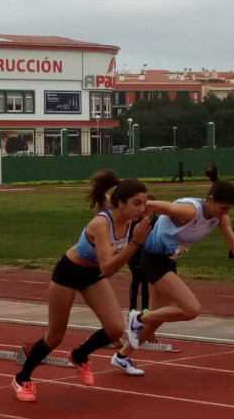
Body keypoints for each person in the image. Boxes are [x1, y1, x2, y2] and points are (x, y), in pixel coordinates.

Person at [11, 171, 152, 401]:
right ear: (120, 203)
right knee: (55, 336)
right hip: (69, 273)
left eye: (144, 204)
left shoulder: (130, 220)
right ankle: (22, 378)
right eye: (137, 203)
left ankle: (79, 355)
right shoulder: (101, 224)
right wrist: (135, 243)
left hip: (92, 275)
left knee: (116, 328)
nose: (142, 208)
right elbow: (108, 268)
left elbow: (160, 207)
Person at [118, 167, 234, 374]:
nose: (226, 214)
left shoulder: (220, 218)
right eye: (223, 208)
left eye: (229, 209)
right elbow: (158, 206)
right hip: (153, 260)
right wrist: (129, 206)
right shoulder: (190, 211)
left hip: (168, 261)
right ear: (211, 199)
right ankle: (138, 318)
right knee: (191, 309)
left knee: (158, 319)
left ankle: (122, 357)